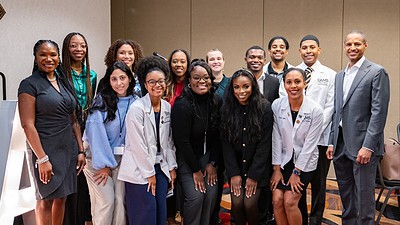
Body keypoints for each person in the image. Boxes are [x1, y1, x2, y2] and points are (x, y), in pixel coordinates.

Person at [18, 39, 86, 225]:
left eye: (53, 54)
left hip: (68, 149)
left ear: (58, 57)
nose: (49, 59)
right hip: (44, 149)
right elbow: (27, 125)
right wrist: (42, 159)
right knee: (45, 199)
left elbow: (73, 120)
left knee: (62, 198)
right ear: (35, 58)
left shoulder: (64, 82)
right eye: (43, 54)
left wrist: (80, 150)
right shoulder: (29, 84)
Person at [326, 30, 390, 225]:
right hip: (340, 144)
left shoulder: (376, 72)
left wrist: (369, 146)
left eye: (357, 44)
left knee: (363, 198)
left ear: (365, 46)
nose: (352, 48)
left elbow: (379, 113)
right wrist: (330, 142)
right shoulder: (339, 76)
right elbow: (337, 112)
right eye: (349, 44)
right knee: (346, 195)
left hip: (363, 146)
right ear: (344, 47)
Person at [118, 56, 178, 225]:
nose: (157, 85)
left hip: (161, 168)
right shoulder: (136, 109)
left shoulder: (166, 107)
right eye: (151, 82)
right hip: (140, 171)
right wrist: (149, 173)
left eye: (160, 81)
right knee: (145, 216)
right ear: (144, 85)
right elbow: (138, 146)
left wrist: (172, 166)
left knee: (160, 214)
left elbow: (168, 141)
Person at [83, 61, 138, 225]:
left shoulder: (137, 101)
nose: (119, 83)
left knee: (120, 202)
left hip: (123, 161)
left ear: (129, 79)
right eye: (114, 79)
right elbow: (95, 135)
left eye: (122, 77)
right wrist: (104, 164)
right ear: (109, 81)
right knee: (106, 202)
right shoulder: (101, 101)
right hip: (97, 160)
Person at [270, 68, 323, 225]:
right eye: (289, 82)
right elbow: (276, 138)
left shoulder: (315, 110)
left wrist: (296, 172)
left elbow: (310, 145)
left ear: (305, 84)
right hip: (283, 160)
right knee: (277, 199)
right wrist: (277, 169)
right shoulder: (277, 105)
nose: (293, 86)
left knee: (290, 202)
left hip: (305, 163)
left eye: (297, 82)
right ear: (284, 85)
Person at [220, 69, 273, 225]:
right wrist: (233, 173)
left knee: (249, 204)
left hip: (257, 168)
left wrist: (254, 175)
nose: (241, 91)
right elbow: (226, 144)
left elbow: (264, 145)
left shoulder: (264, 107)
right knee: (237, 203)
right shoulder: (226, 108)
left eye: (246, 86)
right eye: (236, 87)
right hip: (235, 167)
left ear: (253, 87)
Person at [171, 60, 220, 225]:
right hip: (187, 159)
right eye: (196, 77)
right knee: (196, 196)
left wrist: (212, 163)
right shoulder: (182, 105)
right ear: (189, 80)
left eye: (206, 77)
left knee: (211, 194)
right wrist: (196, 170)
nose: (202, 81)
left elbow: (220, 136)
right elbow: (182, 142)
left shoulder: (216, 101)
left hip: (208, 158)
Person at [293, 35, 336, 225]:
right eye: (304, 47)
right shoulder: (293, 72)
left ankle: (316, 220)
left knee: (318, 184)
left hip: (320, 139)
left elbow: (331, 107)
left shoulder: (330, 74)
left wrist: (313, 130)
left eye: (312, 47)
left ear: (319, 50)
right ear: (299, 51)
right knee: (299, 184)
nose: (308, 51)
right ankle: (301, 219)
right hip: (297, 140)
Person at [62, 31, 97, 225]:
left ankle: (86, 217)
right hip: (67, 126)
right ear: (67, 48)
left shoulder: (91, 74)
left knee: (85, 174)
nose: (79, 49)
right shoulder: (60, 72)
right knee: (72, 175)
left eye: (82, 46)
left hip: (86, 126)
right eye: (74, 45)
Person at [245, 45, 279, 225]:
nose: (255, 60)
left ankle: (266, 217)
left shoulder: (274, 82)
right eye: (252, 57)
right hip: (245, 139)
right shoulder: (241, 79)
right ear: (246, 60)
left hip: (267, 138)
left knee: (265, 182)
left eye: (259, 57)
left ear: (265, 60)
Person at [205, 48, 230, 225]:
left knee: (219, 179)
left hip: (224, 137)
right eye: (212, 59)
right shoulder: (203, 83)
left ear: (223, 61)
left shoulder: (230, 83)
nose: (216, 62)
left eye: (219, 58)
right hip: (205, 137)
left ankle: (215, 216)